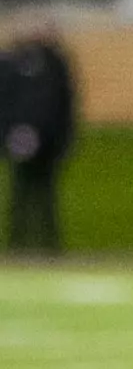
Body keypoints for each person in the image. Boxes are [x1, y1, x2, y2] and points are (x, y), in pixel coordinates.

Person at [2, 13, 76, 254]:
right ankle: (18, 242)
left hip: (49, 141)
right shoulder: (13, 62)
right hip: (20, 137)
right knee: (21, 191)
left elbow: (63, 104)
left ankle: (48, 243)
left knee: (45, 193)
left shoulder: (55, 65)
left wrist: (61, 139)